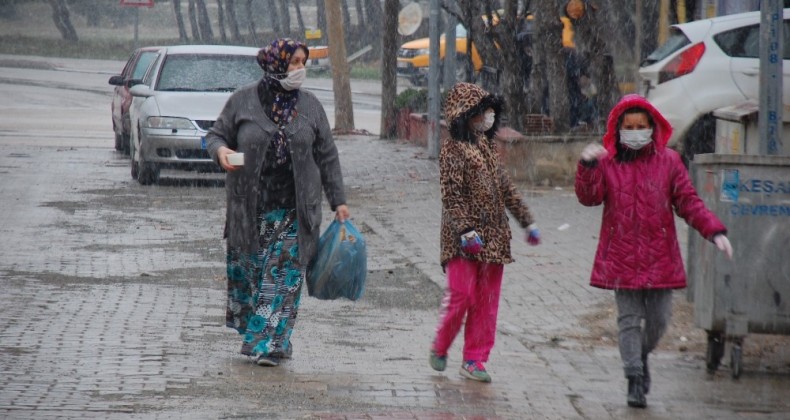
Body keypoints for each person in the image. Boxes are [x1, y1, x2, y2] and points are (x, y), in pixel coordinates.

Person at [574, 94, 733, 408]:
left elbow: (688, 201)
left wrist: (713, 230)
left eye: (641, 126)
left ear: (652, 127)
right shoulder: (607, 161)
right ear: (618, 129)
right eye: (628, 126)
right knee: (629, 320)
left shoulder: (669, 161)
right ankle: (633, 378)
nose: (635, 131)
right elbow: (589, 197)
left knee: (659, 320)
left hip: (660, 256)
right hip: (620, 254)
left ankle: (641, 355)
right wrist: (587, 166)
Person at [206, 38, 349, 367]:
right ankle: (276, 339)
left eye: (303, 62)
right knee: (254, 278)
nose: (299, 69)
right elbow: (215, 135)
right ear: (275, 64)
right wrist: (222, 152)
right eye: (293, 62)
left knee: (283, 279)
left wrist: (338, 200)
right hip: (249, 209)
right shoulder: (242, 101)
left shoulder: (311, 106)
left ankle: (268, 344)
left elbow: (327, 155)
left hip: (297, 212)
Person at [428, 82, 541, 383]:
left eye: (491, 111)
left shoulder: (488, 147)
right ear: (466, 113)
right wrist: (465, 230)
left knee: (486, 303)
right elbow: (450, 194)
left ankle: (475, 359)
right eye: (483, 111)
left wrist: (526, 221)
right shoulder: (452, 147)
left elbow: (506, 188)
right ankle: (440, 346)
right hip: (461, 241)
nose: (488, 117)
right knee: (462, 296)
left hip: (495, 239)